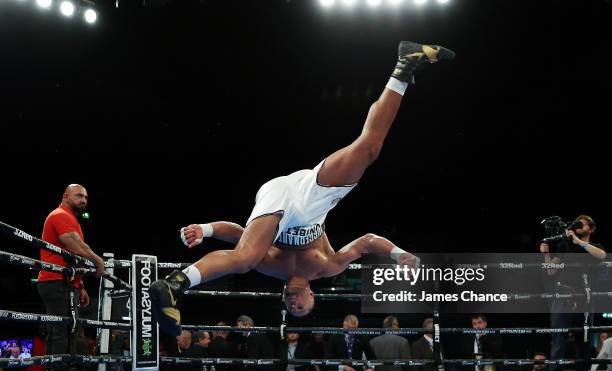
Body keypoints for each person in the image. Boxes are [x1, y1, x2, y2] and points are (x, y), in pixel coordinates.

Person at [150, 41, 455, 336]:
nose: (293, 302)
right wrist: (399, 255)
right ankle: (404, 65)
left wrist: (205, 229)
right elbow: (366, 242)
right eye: (299, 307)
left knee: (244, 259)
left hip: (278, 198)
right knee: (369, 148)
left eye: (290, 306)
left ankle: (175, 283)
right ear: (313, 296)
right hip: (313, 199)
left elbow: (239, 234)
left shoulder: (271, 267)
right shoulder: (327, 266)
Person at [37, 184, 105, 371]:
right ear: (65, 196)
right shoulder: (60, 215)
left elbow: (73, 255)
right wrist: (97, 260)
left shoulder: (72, 219)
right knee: (60, 331)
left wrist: (81, 285)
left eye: (85, 196)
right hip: (55, 280)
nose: (83, 199)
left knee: (68, 331)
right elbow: (75, 246)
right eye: (78, 195)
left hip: (67, 282)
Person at [540, 214, 606, 371]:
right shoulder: (564, 246)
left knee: (583, 339)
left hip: (585, 296)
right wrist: (546, 255)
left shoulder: (593, 247)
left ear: (591, 229)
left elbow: (602, 255)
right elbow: (551, 271)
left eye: (581, 225)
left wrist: (578, 241)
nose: (577, 227)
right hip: (564, 295)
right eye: (576, 224)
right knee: (558, 337)